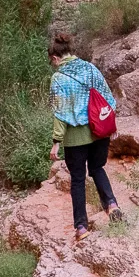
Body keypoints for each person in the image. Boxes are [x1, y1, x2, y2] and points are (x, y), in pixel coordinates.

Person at [49, 30, 121, 233]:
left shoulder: (58, 78)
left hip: (75, 138)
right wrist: (111, 125)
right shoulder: (90, 68)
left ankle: (81, 228)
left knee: (78, 180)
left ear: (55, 58)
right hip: (100, 131)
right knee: (97, 168)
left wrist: (56, 142)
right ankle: (112, 205)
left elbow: (60, 112)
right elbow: (108, 97)